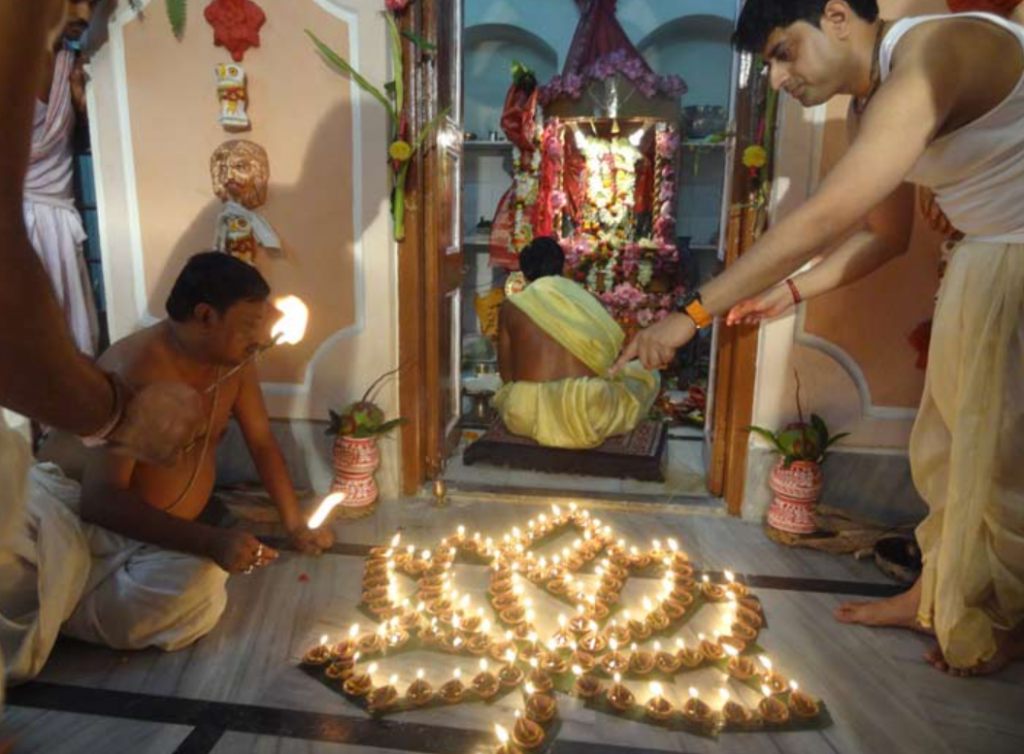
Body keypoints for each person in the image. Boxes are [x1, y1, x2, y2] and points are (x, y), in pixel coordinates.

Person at [613, 0, 1024, 675]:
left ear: (837, 16)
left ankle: (1005, 619)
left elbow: (829, 212)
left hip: (1015, 260)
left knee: (1005, 460)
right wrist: (792, 290)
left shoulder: (933, 54)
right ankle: (934, 594)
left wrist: (689, 314)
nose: (776, 79)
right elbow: (885, 237)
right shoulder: (870, 104)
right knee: (954, 448)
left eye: (782, 53)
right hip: (984, 262)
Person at [1, 252, 336, 683]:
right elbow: (99, 502)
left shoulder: (235, 362)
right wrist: (208, 539)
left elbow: (261, 442)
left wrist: (296, 525)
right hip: (70, 521)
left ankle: (60, 607)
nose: (261, 337)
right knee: (33, 567)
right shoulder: (136, 365)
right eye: (250, 326)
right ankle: (59, 599)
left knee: (200, 588)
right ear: (205, 316)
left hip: (147, 538)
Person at [494, 237, 660, 449]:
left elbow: (507, 376)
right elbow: (608, 362)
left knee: (509, 393)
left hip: (527, 413)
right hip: (588, 411)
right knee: (646, 376)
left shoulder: (511, 306)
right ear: (563, 266)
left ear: (524, 272)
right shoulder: (589, 301)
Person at [26, 0, 101, 357]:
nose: (84, 15)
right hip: (18, 233)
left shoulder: (70, 67)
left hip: (59, 231)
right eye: (74, 0)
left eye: (93, 3)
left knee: (64, 355)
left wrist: (84, 109)